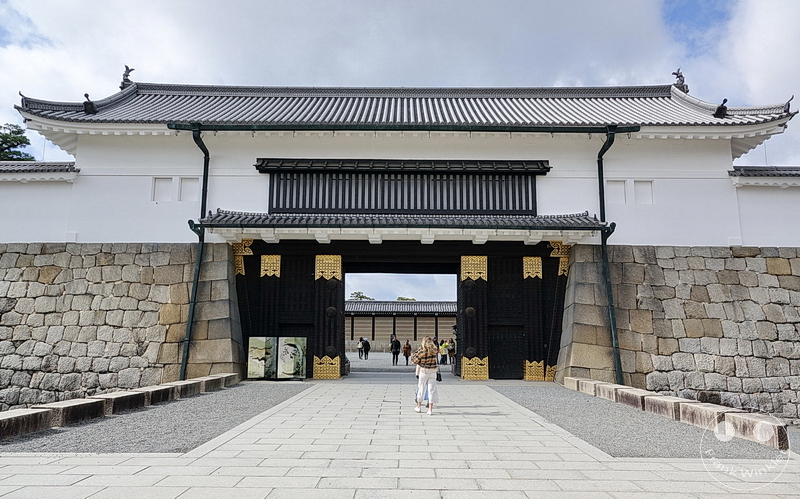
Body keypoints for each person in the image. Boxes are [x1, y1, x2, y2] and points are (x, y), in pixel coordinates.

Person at [411, 336, 440, 415]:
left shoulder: (422, 351)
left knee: (421, 388)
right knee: (432, 390)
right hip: (433, 371)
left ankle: (419, 407)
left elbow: (414, 360)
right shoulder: (434, 350)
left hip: (424, 371)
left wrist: (416, 353)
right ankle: (430, 409)